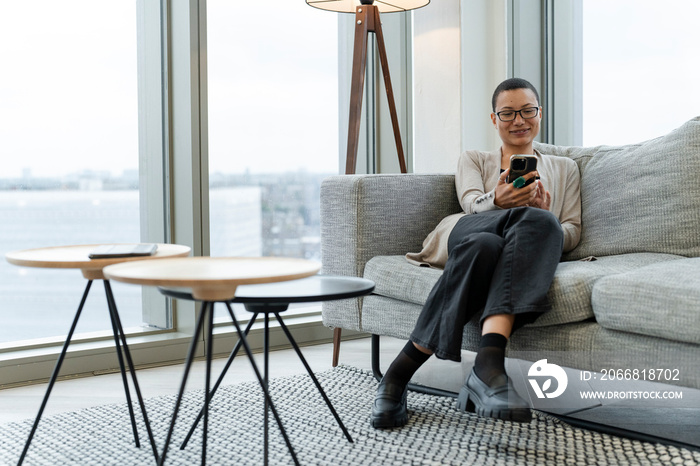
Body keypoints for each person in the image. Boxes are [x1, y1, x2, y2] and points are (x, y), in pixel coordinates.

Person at [371, 78, 581, 428]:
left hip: (496, 248)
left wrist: (547, 218)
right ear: (494, 119)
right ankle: (487, 370)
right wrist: (498, 202)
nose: (519, 120)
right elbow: (469, 205)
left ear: (540, 113)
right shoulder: (474, 159)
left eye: (527, 111)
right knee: (492, 234)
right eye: (508, 113)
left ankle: (398, 375)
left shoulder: (565, 168)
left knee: (518, 234)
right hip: (465, 232)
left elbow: (572, 231)